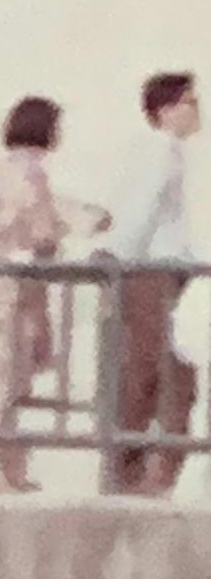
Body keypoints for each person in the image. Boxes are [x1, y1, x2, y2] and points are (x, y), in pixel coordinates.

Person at [0, 94, 104, 496]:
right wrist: (76, 225)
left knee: (2, 373)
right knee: (8, 377)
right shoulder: (33, 173)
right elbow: (41, 230)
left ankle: (3, 465)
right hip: (22, 284)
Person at [101, 68, 199, 497]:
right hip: (154, 273)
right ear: (165, 110)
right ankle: (144, 473)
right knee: (162, 372)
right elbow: (141, 211)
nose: (198, 111)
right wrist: (117, 256)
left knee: (154, 371)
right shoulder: (162, 153)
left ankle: (138, 470)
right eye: (190, 102)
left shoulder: (168, 152)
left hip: (161, 271)